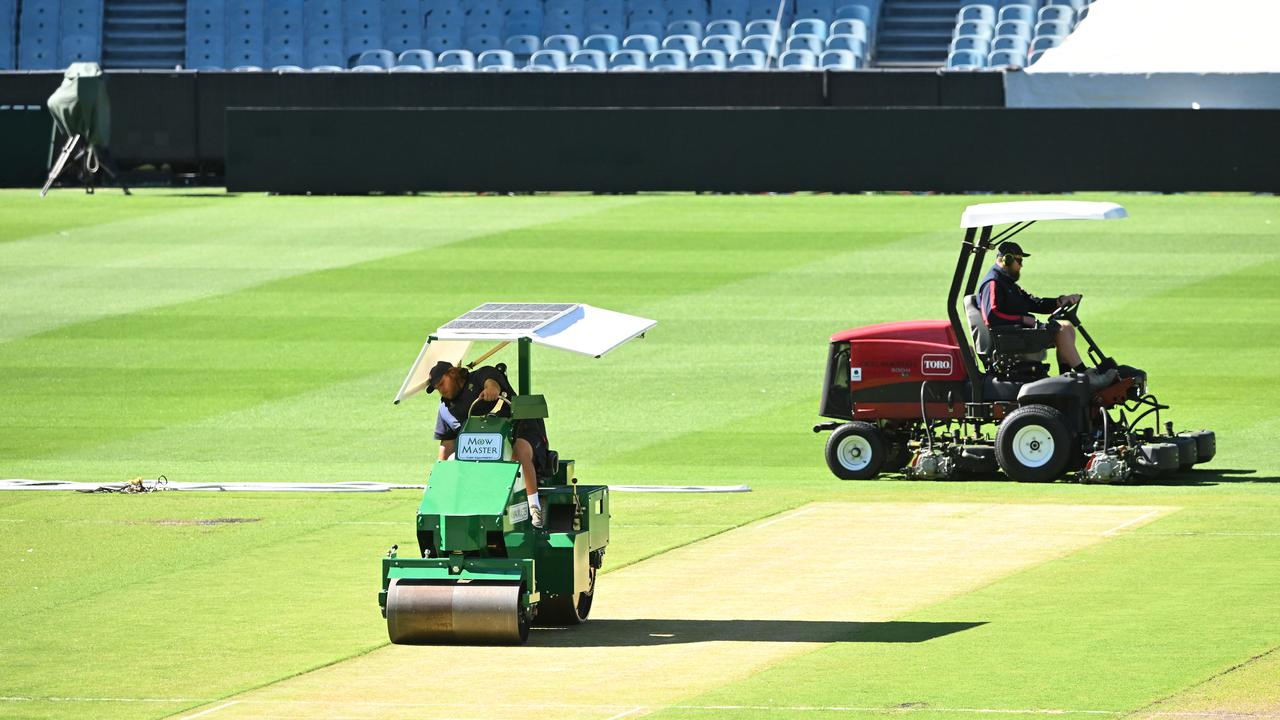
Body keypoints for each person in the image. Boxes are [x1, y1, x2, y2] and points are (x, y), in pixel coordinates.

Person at [977, 241, 1116, 389]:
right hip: (1009, 337)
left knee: (1067, 327)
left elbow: (1033, 302)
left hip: (1017, 333)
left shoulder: (1007, 282)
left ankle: (1067, 377)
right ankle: (1085, 375)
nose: (1021, 265)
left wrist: (1060, 301)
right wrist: (1023, 319)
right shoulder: (994, 282)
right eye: (1020, 261)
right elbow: (992, 316)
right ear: (1007, 259)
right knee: (1060, 330)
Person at [426, 360, 547, 528]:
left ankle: (534, 506)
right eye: (438, 388)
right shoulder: (446, 408)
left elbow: (492, 384)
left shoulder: (481, 375)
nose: (442, 391)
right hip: (482, 450)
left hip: (519, 430)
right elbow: (446, 446)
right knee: (453, 460)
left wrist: (491, 390)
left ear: (452, 373)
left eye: (442, 384)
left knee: (519, 450)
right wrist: (438, 478)